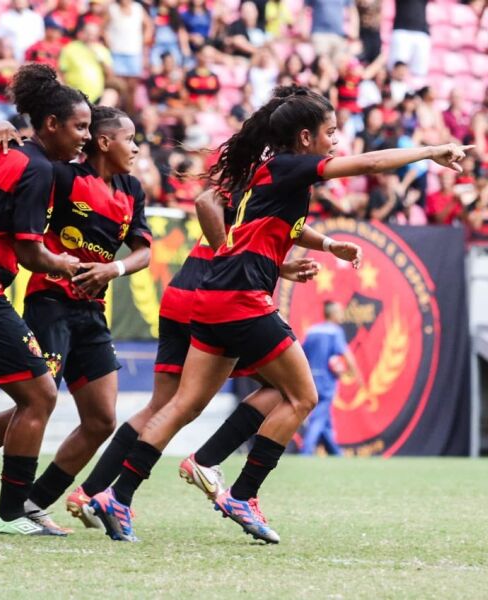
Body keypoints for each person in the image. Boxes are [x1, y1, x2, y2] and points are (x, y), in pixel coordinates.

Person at [88, 85, 470, 544]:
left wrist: (326, 244)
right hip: (242, 299)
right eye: (330, 132)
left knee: (187, 404)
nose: (336, 139)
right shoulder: (292, 166)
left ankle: (118, 496)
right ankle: (239, 489)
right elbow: (368, 164)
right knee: (303, 396)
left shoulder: (272, 170)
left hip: (213, 295)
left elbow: (280, 226)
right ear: (305, 138)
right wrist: (430, 151)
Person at [0, 105, 152, 536]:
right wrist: (8, 128)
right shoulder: (62, 176)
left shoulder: (131, 190)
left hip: (93, 310)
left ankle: (31, 503)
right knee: (33, 400)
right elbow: (23, 167)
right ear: (105, 142)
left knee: (102, 419)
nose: (138, 147)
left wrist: (114, 269)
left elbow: (144, 250)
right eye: (130, 138)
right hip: (50, 303)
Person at [65, 185, 321, 529]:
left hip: (182, 293)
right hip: (220, 301)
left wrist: (287, 264)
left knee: (165, 405)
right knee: (288, 389)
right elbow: (221, 219)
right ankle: (209, 464)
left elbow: (249, 232)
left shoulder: (257, 187)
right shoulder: (270, 178)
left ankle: (93, 492)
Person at [301, 301, 362, 457]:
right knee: (319, 418)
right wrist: (356, 375)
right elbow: (346, 355)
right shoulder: (335, 332)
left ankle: (336, 453)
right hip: (327, 381)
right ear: (333, 314)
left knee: (324, 417)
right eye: (340, 312)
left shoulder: (312, 331)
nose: (342, 315)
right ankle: (306, 451)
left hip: (310, 379)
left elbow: (301, 355)